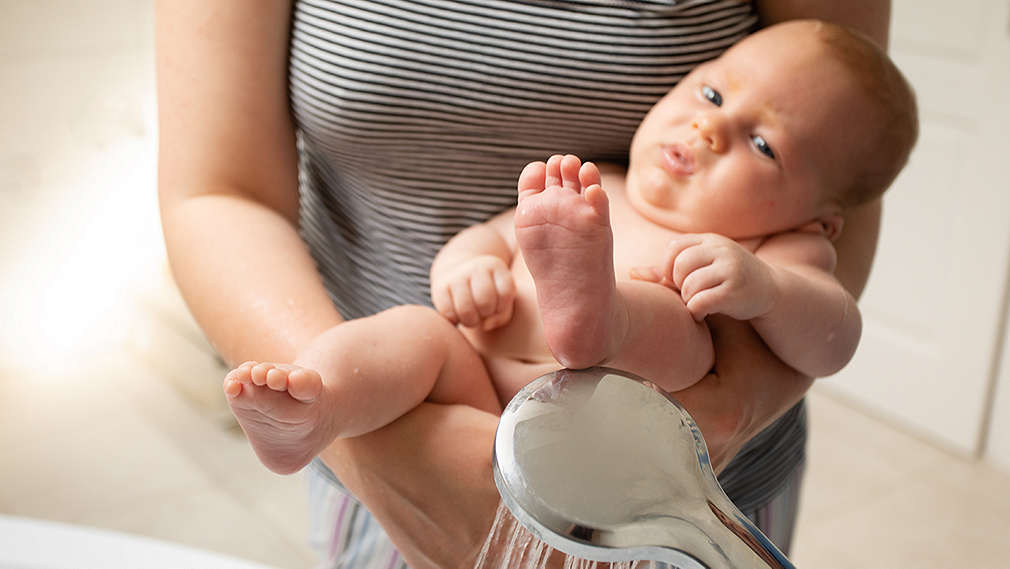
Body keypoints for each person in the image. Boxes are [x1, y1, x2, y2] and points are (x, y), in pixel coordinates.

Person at [155, 1, 896, 567]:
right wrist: (466, 267)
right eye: (708, 97)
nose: (711, 131)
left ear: (820, 217)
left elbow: (834, 333)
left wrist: (764, 288)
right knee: (412, 336)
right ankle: (322, 405)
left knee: (672, 326)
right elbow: (491, 235)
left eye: (763, 145)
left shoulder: (776, 247)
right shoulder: (591, 187)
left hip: (638, 448)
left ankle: (597, 321)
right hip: (460, 401)